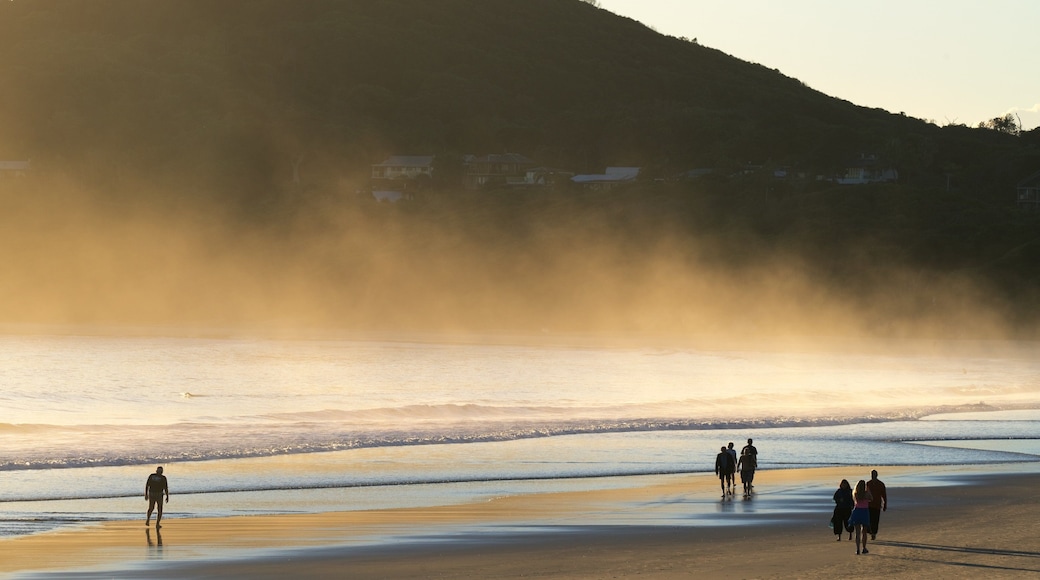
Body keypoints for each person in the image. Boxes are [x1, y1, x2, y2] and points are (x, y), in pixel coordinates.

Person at [848, 479, 873, 555]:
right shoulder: (866, 494)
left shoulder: (856, 493)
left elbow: (855, 501)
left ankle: (858, 549)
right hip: (864, 512)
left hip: (857, 511)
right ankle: (864, 548)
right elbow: (871, 499)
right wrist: (868, 491)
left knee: (857, 532)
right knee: (864, 532)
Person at [866, 469, 888, 540]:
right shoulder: (868, 483)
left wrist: (885, 504)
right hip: (868, 505)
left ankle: (874, 533)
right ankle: (870, 531)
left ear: (877, 475)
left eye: (874, 475)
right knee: (868, 519)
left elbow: (884, 495)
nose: (873, 476)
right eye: (872, 475)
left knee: (875, 520)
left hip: (877, 505)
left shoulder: (881, 484)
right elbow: (865, 494)